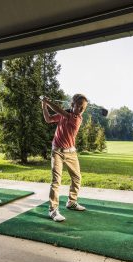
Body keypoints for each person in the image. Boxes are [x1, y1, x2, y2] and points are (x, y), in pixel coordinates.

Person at [42, 94, 89, 222]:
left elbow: (60, 111)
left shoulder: (76, 118)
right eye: (78, 105)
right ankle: (53, 210)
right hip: (57, 151)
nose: (80, 109)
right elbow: (48, 119)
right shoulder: (65, 114)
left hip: (71, 153)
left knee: (77, 177)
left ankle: (71, 202)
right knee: (56, 180)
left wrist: (48, 102)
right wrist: (44, 105)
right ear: (72, 104)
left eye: (82, 108)